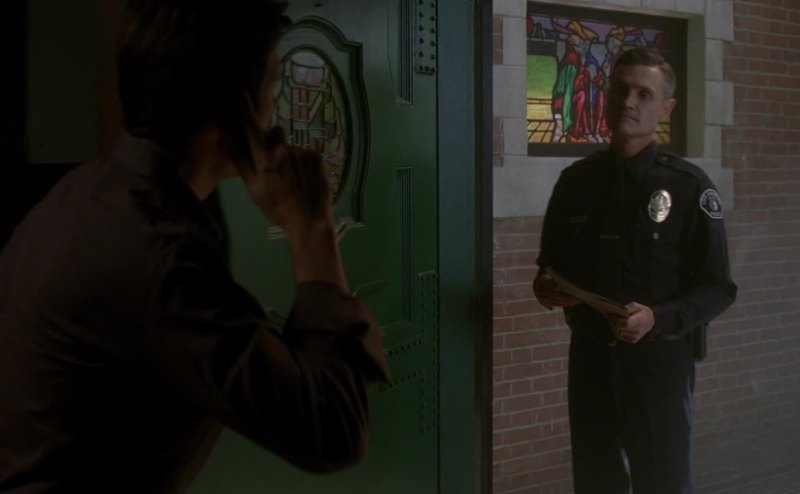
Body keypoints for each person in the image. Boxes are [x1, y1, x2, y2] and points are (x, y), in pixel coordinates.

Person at [0, 1, 389, 492]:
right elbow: (333, 429)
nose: (277, 111)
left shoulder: (85, 194)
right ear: (242, 111)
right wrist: (311, 227)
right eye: (273, 90)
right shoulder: (157, 258)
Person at [533, 47, 737, 494]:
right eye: (621, 90)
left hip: (657, 365)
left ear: (667, 108)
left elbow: (718, 288)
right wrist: (547, 290)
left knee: (662, 481)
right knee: (595, 480)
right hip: (590, 360)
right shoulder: (576, 182)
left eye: (644, 94)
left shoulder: (689, 187)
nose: (629, 102)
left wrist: (657, 318)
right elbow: (549, 268)